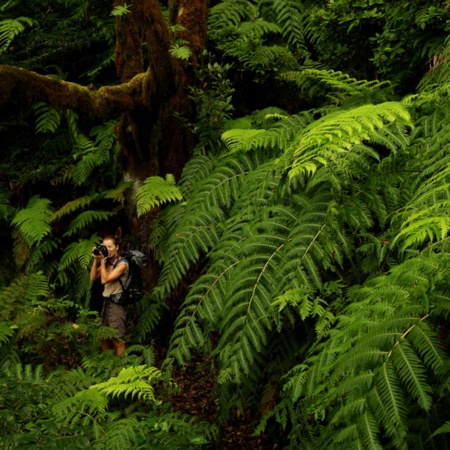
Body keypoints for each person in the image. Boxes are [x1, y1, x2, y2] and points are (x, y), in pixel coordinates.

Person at [90, 235, 128, 356]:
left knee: (117, 340)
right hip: (106, 303)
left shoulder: (122, 264)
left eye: (110, 246)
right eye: (105, 247)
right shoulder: (107, 262)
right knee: (104, 338)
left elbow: (104, 280)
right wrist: (96, 259)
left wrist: (102, 261)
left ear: (117, 247)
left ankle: (122, 370)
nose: (107, 249)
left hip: (117, 304)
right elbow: (92, 277)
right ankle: (107, 367)